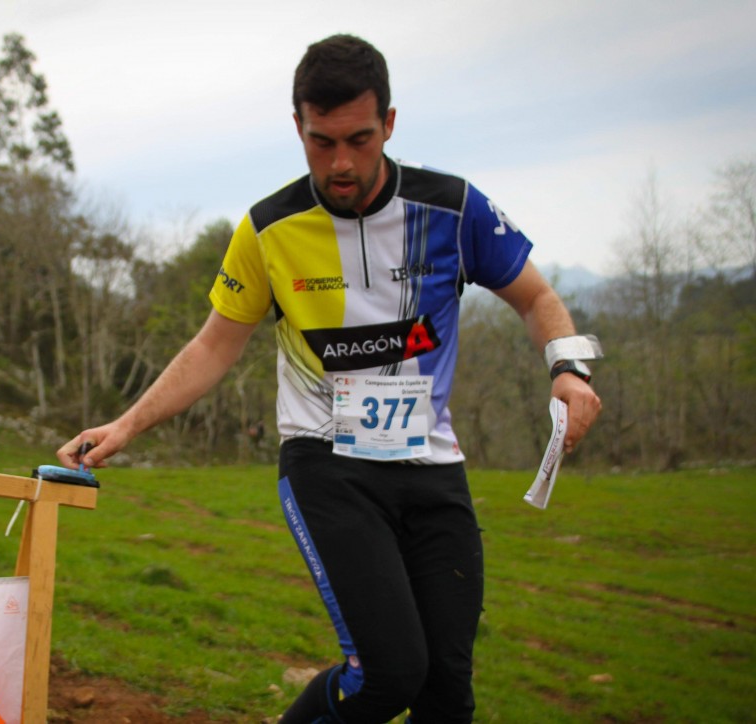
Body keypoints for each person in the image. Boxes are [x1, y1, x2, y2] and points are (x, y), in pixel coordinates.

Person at [57, 33, 602, 724]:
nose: (341, 162)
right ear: (297, 128)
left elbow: (535, 297)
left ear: (390, 125)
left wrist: (568, 368)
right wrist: (127, 424)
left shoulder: (452, 208)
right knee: (388, 675)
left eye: (360, 139)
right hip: (328, 464)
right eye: (321, 142)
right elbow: (214, 346)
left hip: (432, 469)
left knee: (446, 692)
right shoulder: (268, 229)